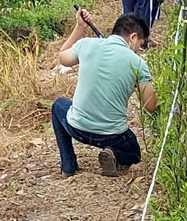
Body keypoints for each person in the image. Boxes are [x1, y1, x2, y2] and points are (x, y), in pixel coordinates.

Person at [51, 10, 158, 178]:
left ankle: (68, 166)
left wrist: (79, 27)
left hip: (77, 128)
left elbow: (62, 57)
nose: (138, 50)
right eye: (140, 44)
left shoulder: (86, 44)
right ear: (133, 37)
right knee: (135, 154)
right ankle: (114, 154)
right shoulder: (138, 63)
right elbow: (150, 106)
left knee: (58, 105)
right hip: (112, 136)